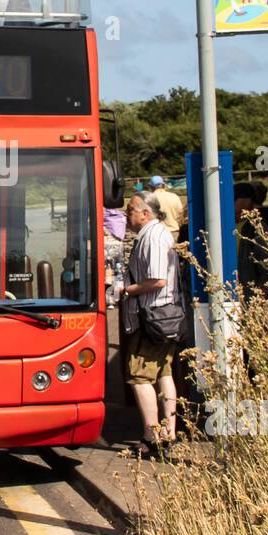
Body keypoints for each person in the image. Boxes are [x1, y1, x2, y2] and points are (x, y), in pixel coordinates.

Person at [120, 192, 181, 457]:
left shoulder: (153, 237)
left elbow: (157, 280)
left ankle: (152, 435)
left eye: (131, 209)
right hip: (163, 315)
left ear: (145, 213)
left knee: (138, 375)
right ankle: (169, 432)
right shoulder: (155, 234)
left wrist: (127, 290)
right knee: (164, 373)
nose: (126, 214)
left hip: (152, 316)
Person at [150, 175, 185, 243]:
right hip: (174, 233)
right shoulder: (174, 196)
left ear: (151, 187)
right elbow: (181, 215)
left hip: (158, 234)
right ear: (163, 185)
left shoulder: (150, 198)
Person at [104, 205, 126, 307]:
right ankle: (117, 298)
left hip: (106, 247)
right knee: (118, 273)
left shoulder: (103, 214)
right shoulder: (121, 215)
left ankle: (109, 300)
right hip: (119, 246)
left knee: (108, 274)